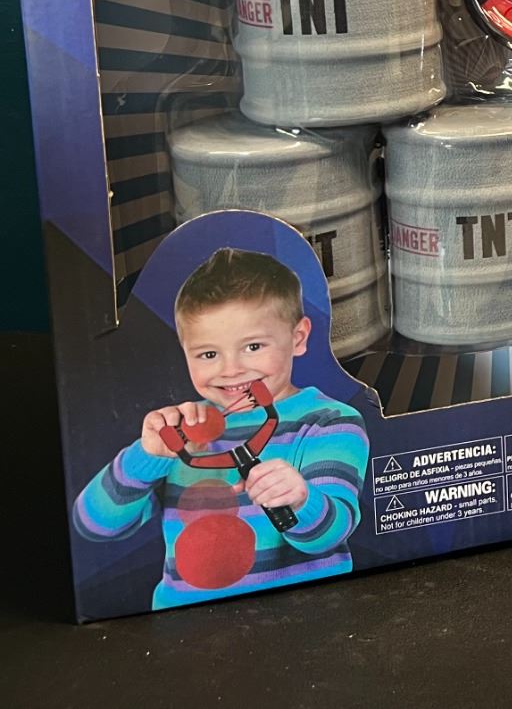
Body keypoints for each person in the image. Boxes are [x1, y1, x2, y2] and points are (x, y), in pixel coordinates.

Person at [73, 248, 369, 608]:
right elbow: (94, 526)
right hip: (185, 624)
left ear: (298, 338)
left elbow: (327, 537)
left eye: (253, 346)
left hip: (302, 619)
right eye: (208, 354)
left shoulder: (329, 422)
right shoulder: (183, 432)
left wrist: (300, 498)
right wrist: (147, 456)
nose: (231, 370)